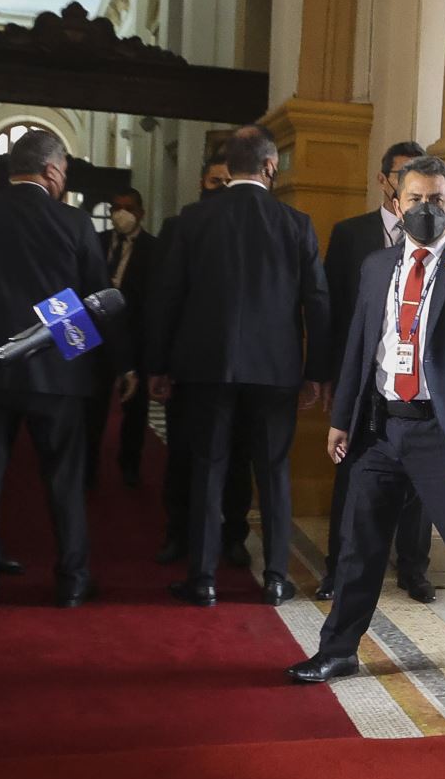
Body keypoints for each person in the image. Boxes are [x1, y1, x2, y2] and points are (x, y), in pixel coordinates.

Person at [285, 156, 445, 682]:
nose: (426, 209)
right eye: (416, 199)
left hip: (438, 432)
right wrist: (342, 417)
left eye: (437, 200)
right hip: (379, 427)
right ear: (396, 204)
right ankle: (337, 650)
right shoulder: (377, 266)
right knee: (358, 546)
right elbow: (361, 342)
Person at [0, 129, 129, 611]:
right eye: (64, 171)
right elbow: (95, 299)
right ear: (51, 171)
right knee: (65, 480)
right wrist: (97, 365)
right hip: (55, 371)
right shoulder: (74, 222)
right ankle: (71, 581)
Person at [148, 126, 330, 607]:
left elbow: (168, 298)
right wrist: (316, 371)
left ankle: (202, 580)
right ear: (271, 167)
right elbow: (317, 302)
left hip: (205, 368)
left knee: (207, 469)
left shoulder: (192, 220)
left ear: (226, 169)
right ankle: (273, 578)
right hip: (276, 371)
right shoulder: (296, 223)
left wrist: (159, 365)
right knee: (272, 472)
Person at [317, 140, 432, 604]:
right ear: (387, 182)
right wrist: (330, 378)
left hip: (422, 391)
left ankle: (413, 568)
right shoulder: (351, 235)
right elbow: (331, 308)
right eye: (405, 180)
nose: (418, 197)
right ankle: (336, 569)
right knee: (353, 483)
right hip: (367, 381)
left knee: (422, 489)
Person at [154, 156, 253, 565]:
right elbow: (163, 299)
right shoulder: (180, 226)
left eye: (229, 182)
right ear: (201, 182)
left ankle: (233, 536)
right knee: (182, 456)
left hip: (241, 368)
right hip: (190, 366)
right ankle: (179, 532)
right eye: (215, 182)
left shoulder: (249, 229)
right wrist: (158, 364)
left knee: (236, 460)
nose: (222, 189)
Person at [87, 187, 156, 489]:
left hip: (137, 339)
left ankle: (129, 465)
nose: (120, 214)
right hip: (98, 339)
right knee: (93, 408)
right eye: (116, 207)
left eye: (127, 207)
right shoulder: (97, 242)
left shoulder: (156, 249)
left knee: (135, 411)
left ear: (140, 212)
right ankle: (88, 468)